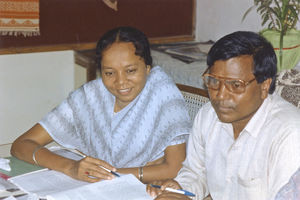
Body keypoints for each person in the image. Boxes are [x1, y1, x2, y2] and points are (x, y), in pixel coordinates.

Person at [11, 26, 191, 183]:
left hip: (143, 189)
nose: (121, 82)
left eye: (130, 71)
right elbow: (21, 145)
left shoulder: (162, 93)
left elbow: (175, 168)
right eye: (110, 73)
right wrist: (71, 167)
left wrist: (108, 175)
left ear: (147, 68)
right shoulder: (91, 96)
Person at [147, 31, 300, 200]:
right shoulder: (208, 115)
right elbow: (196, 173)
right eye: (213, 81)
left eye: (235, 85)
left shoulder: (289, 134)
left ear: (264, 86)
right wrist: (180, 190)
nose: (220, 96)